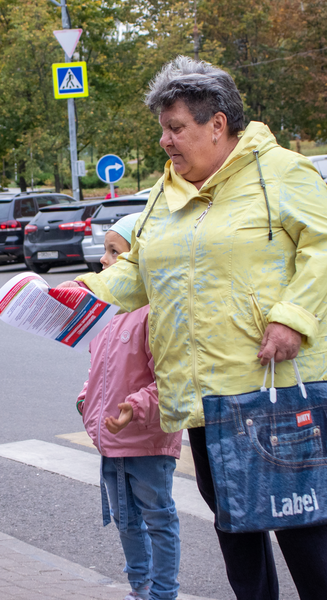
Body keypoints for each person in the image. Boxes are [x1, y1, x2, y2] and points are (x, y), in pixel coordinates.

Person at [64, 56, 327, 600]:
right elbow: (138, 272)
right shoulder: (164, 193)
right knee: (236, 530)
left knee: (301, 527)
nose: (166, 142)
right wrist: (82, 293)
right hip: (204, 396)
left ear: (216, 124)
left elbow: (326, 246)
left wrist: (293, 318)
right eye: (163, 130)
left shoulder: (282, 172)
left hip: (274, 388)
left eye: (176, 129)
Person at [77, 212, 182, 600]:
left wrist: (135, 408)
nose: (104, 259)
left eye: (114, 251)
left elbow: (172, 377)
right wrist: (85, 397)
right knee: (125, 520)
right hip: (111, 439)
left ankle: (163, 593)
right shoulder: (108, 316)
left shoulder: (155, 315)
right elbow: (99, 371)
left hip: (147, 440)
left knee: (158, 519)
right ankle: (139, 587)